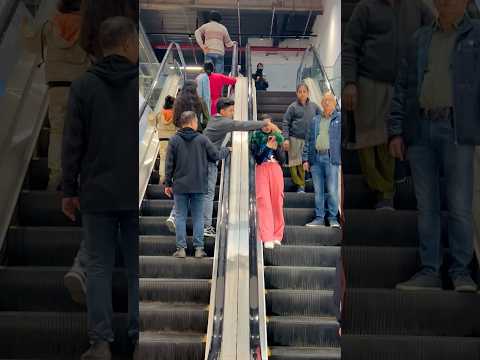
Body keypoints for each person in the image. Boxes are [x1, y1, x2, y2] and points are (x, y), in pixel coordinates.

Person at [62, 17, 139, 359]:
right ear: (125, 45)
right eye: (135, 42)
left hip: (97, 193)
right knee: (137, 269)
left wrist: (68, 190)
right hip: (132, 192)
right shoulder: (142, 82)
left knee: (97, 267)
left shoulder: (83, 86)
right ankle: (139, 336)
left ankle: (101, 343)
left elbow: (72, 144)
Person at [389, 0, 479, 292]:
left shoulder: (475, 36)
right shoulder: (421, 38)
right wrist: (395, 132)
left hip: (457, 131)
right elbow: (402, 86)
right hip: (420, 130)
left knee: (460, 205)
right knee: (426, 206)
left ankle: (461, 272)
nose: (445, 2)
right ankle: (430, 271)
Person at [342, 0, 433, 210]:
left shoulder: (418, 6)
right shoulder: (365, 7)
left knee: (388, 141)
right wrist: (350, 83)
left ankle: (386, 192)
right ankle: (383, 187)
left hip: (404, 84)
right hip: (368, 82)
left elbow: (438, 29)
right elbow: (350, 47)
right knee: (365, 143)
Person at [21, 0, 90, 191]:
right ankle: (78, 178)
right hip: (81, 88)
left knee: (58, 132)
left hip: (56, 88)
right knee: (81, 133)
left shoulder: (48, 27)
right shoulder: (86, 28)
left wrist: (24, 23)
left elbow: (30, 44)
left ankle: (55, 177)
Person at [202, 98, 272, 237]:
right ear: (222, 111)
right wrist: (264, 123)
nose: (233, 113)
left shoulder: (214, 119)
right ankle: (206, 226)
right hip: (209, 161)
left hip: (202, 160)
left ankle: (182, 218)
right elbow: (242, 125)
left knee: (199, 194)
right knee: (209, 194)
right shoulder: (223, 121)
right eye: (230, 110)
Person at [163, 111, 230, 258]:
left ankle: (181, 249)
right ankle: (199, 249)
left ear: (182, 123)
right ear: (193, 122)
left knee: (180, 216)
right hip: (198, 185)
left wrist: (168, 183)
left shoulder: (174, 140)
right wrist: (226, 151)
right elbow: (215, 156)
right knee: (198, 217)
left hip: (180, 186)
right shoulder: (202, 139)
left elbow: (169, 164)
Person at [302, 92, 342, 228]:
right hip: (315, 159)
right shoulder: (315, 120)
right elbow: (308, 141)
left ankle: (333, 218)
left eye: (329, 100)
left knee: (332, 190)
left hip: (331, 158)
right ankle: (319, 218)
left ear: (335, 103)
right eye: (324, 100)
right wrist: (305, 160)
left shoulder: (339, 119)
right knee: (318, 191)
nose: (326, 103)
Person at [251, 115, 285, 249]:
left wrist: (276, 148)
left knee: (277, 201)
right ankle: (266, 236)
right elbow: (258, 158)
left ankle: (277, 235)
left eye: (269, 124)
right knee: (263, 202)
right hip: (261, 169)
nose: (266, 126)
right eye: (264, 124)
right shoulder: (255, 137)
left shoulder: (277, 137)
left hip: (276, 169)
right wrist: (266, 146)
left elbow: (282, 159)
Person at [282, 83, 322, 193]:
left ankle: (306, 183)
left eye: (304, 91)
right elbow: (285, 122)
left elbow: (323, 117)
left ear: (308, 93)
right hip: (294, 139)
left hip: (309, 140)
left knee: (306, 162)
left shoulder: (314, 106)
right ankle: (300, 185)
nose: (302, 94)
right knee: (294, 164)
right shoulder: (292, 107)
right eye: (300, 92)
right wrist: (286, 138)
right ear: (297, 93)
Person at [150, 95, 176, 183]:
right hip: (173, 140)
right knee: (173, 159)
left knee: (163, 159)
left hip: (162, 140)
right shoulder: (175, 115)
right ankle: (172, 179)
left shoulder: (160, 113)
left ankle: (162, 179)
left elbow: (151, 121)